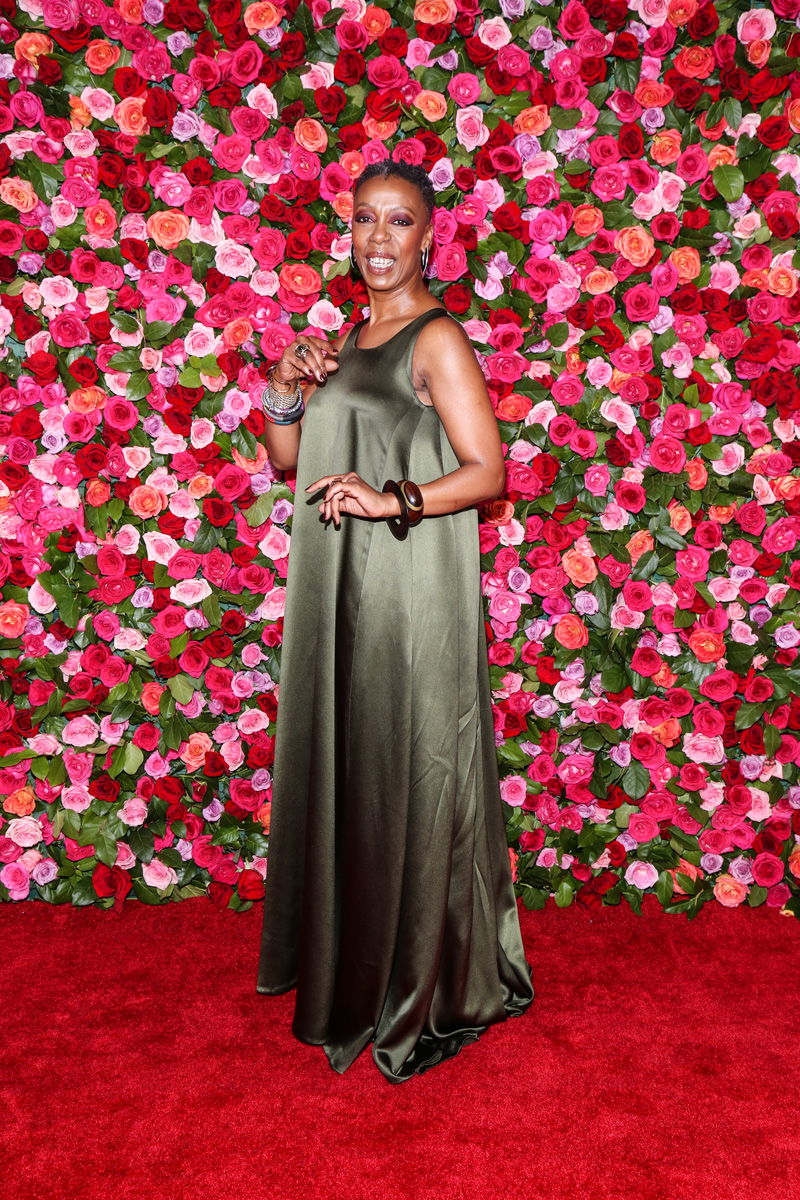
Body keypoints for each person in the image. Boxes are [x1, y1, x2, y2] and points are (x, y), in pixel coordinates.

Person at [255, 160, 534, 1083]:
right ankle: (354, 959)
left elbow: (489, 471)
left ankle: (417, 976)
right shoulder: (348, 334)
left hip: (406, 590)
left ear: (428, 236)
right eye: (365, 219)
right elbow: (289, 462)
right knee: (357, 768)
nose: (380, 238)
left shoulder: (437, 338)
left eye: (400, 221)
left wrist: (389, 502)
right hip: (340, 584)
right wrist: (287, 389)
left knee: (403, 764)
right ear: (350, 230)